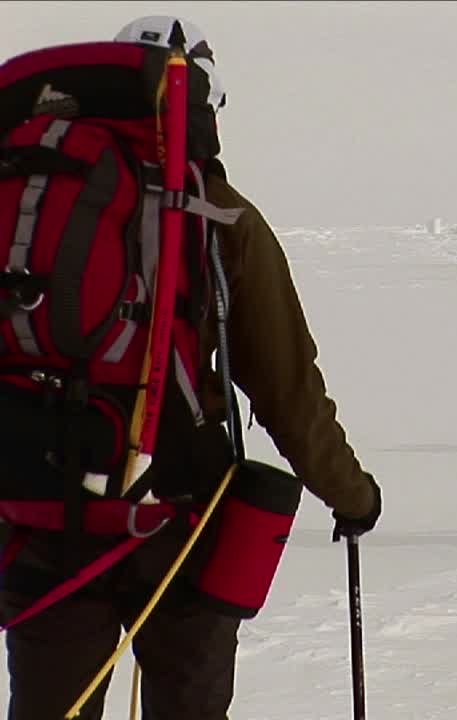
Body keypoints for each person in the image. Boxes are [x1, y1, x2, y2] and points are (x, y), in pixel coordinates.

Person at [0, 17, 381, 719]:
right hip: (176, 519)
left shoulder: (25, 196)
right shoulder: (219, 214)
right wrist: (352, 496)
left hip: (37, 511)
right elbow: (286, 389)